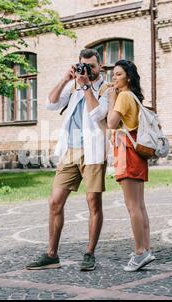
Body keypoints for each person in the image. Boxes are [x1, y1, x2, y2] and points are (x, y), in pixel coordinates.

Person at [25, 49, 109, 271]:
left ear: (100, 66)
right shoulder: (73, 86)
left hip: (93, 150)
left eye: (91, 66)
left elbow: (98, 115)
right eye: (84, 66)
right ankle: (51, 254)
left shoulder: (107, 88)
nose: (87, 70)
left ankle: (89, 253)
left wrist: (86, 86)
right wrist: (66, 78)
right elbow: (50, 104)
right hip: (70, 150)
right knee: (55, 202)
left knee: (93, 202)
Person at [106, 59, 155, 272]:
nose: (114, 78)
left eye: (118, 74)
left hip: (127, 152)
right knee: (140, 205)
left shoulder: (123, 96)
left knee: (132, 206)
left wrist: (110, 98)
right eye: (113, 74)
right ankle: (146, 248)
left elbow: (110, 123)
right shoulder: (132, 97)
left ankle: (139, 253)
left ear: (128, 77)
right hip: (138, 153)